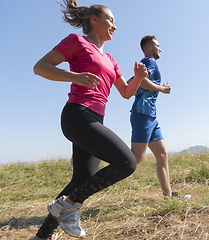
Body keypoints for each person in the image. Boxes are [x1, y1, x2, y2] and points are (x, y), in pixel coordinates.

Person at [30, 1, 148, 239]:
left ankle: (42, 235)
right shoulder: (77, 42)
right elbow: (40, 67)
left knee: (82, 178)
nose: (115, 25)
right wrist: (75, 76)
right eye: (111, 19)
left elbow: (126, 92)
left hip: (95, 118)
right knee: (127, 162)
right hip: (77, 114)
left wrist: (137, 78)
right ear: (94, 20)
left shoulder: (111, 59)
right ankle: (69, 205)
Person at [129, 36, 191, 199]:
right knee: (134, 159)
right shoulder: (150, 61)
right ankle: (96, 156)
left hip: (150, 116)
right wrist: (161, 89)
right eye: (158, 45)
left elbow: (133, 82)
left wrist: (154, 87)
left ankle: (168, 195)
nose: (160, 49)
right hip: (143, 114)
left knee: (162, 154)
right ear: (149, 46)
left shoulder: (147, 63)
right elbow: (140, 81)